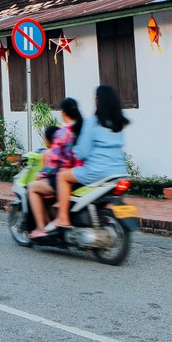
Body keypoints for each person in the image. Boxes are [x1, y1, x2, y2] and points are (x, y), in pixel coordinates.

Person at [48, 85, 130, 231]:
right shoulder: (119, 123)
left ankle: (62, 218)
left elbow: (82, 152)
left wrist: (76, 154)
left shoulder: (92, 122)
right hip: (120, 172)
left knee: (62, 176)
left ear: (98, 100)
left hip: (96, 171)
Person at [28, 98, 83, 239]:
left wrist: (41, 175)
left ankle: (40, 228)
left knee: (33, 187)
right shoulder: (83, 131)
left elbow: (53, 162)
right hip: (82, 175)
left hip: (63, 176)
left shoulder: (63, 133)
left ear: (64, 113)